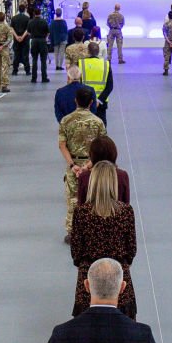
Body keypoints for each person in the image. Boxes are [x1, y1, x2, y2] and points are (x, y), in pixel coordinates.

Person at [70, 162, 138, 318]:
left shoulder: (81, 213)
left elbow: (76, 252)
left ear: (93, 182)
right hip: (119, 277)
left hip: (89, 279)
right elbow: (131, 249)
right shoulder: (126, 211)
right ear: (113, 182)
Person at [59, 87, 107, 243]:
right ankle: (93, 231)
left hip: (74, 164)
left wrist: (73, 165)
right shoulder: (98, 122)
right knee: (93, 198)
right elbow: (103, 147)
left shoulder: (66, 121)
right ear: (91, 102)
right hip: (92, 166)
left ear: (76, 101)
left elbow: (62, 145)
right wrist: (88, 165)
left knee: (73, 198)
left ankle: (72, 232)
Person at [77, 137, 130, 204]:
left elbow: (80, 206)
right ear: (114, 153)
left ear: (91, 155)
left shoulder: (84, 177)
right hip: (117, 214)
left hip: (90, 214)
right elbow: (126, 204)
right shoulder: (122, 176)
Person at [78, 42, 113, 125]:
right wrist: (99, 100)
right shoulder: (106, 64)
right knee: (101, 128)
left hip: (84, 101)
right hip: (101, 102)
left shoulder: (81, 64)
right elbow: (109, 86)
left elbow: (78, 84)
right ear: (98, 52)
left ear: (88, 52)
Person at [28, 7, 50, 83]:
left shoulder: (31, 22)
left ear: (34, 13)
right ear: (40, 13)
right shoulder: (44, 21)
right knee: (43, 60)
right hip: (42, 41)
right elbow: (48, 32)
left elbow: (28, 32)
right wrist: (46, 38)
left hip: (34, 41)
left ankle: (34, 78)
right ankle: (44, 77)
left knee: (34, 60)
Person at [10, 4, 31, 76]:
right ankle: (27, 71)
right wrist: (22, 37)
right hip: (25, 39)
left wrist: (16, 36)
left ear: (18, 9)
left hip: (16, 40)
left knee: (16, 55)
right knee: (25, 55)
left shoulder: (13, 18)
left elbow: (12, 28)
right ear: (25, 10)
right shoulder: (27, 18)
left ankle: (15, 71)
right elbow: (28, 29)